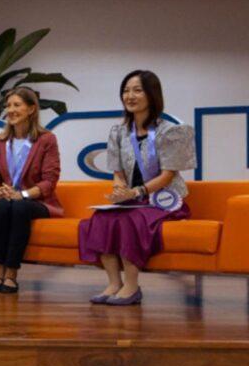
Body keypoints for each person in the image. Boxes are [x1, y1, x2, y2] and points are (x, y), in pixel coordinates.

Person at [79, 70, 196, 306]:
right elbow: (117, 172)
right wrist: (120, 189)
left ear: (152, 95)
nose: (129, 96)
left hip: (164, 200)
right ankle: (114, 283)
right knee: (101, 218)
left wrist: (137, 192)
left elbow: (167, 175)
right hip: (134, 199)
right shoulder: (119, 132)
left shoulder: (170, 132)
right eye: (126, 90)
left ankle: (132, 286)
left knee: (129, 219)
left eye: (137, 90)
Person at [0, 88, 62, 294]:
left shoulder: (46, 139)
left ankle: (11, 274)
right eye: (8, 106)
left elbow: (49, 181)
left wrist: (23, 194)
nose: (11, 110)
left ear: (31, 109)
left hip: (37, 200)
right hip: (8, 199)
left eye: (17, 105)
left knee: (19, 208)